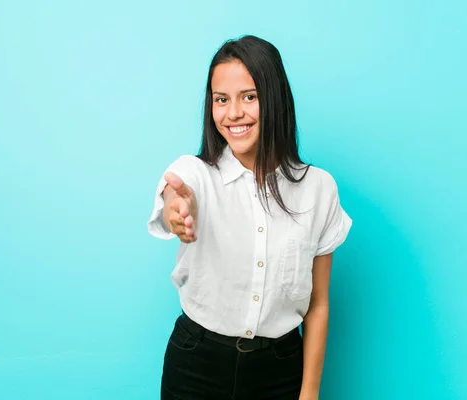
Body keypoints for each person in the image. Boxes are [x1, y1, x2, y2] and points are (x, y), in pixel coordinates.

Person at [147, 35, 352, 400]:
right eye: (221, 100)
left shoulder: (318, 188)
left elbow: (318, 304)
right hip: (196, 367)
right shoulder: (194, 173)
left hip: (279, 371)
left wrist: (309, 393)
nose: (234, 113)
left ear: (274, 99)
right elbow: (175, 194)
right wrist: (177, 210)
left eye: (249, 97)